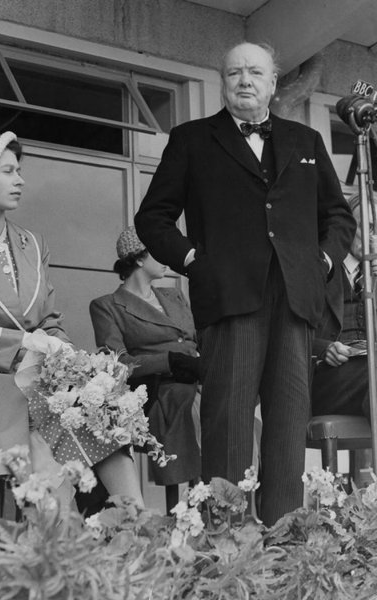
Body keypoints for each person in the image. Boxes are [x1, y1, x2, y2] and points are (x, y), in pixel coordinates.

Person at [134, 42, 356, 525]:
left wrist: (319, 262)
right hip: (229, 298)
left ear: (273, 82)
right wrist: (194, 260)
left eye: (255, 72)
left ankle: (283, 541)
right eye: (234, 72)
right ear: (223, 82)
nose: (244, 81)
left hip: (295, 300)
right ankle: (225, 543)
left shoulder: (305, 141)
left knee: (287, 428)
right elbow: (152, 218)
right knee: (228, 425)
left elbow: (338, 217)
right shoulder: (192, 139)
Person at [0, 131, 144, 508]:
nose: (20, 180)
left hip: (39, 374)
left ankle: (136, 524)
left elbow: (50, 322)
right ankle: (60, 531)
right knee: (48, 411)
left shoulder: (34, 244)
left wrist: (70, 362)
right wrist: (23, 342)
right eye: (8, 171)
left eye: (19, 171)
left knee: (99, 407)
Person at [89, 226, 201, 489]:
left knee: (237, 402)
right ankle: (201, 494)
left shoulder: (173, 295)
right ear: (138, 259)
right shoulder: (107, 306)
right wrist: (170, 361)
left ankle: (233, 486)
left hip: (199, 376)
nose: (168, 257)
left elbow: (197, 337)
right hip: (159, 388)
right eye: (159, 251)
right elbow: (118, 364)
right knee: (194, 406)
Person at [312, 193, 372, 422]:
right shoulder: (319, 268)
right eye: (368, 226)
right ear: (347, 227)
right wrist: (323, 348)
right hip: (329, 377)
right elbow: (290, 330)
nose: (373, 235)